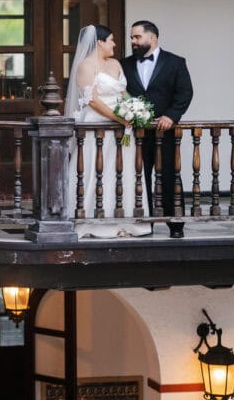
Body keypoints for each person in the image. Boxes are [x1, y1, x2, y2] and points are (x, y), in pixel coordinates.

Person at [64, 24, 152, 238]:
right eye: (111, 40)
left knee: (124, 171)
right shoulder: (86, 66)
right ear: (100, 42)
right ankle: (92, 223)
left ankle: (125, 222)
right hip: (97, 124)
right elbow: (92, 100)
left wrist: (136, 110)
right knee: (97, 170)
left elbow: (123, 93)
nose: (114, 44)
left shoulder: (115, 63)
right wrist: (118, 118)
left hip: (123, 127)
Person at [119, 20, 194, 238]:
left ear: (152, 37)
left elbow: (185, 92)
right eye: (131, 38)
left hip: (165, 133)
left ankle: (176, 224)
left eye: (137, 37)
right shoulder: (124, 65)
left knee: (170, 177)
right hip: (136, 134)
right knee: (139, 179)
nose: (133, 41)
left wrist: (172, 115)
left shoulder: (176, 62)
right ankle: (145, 224)